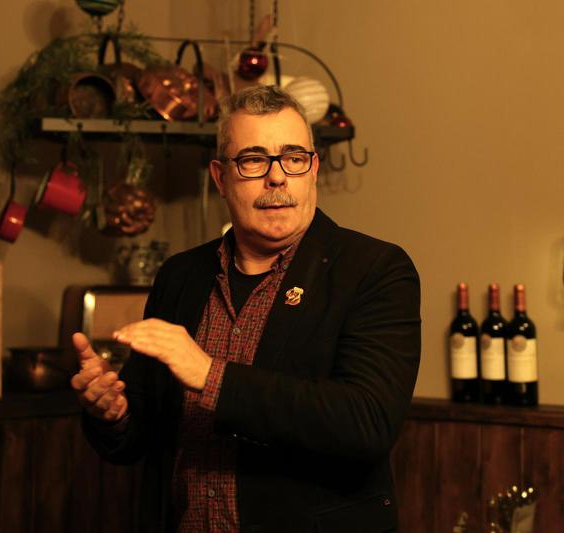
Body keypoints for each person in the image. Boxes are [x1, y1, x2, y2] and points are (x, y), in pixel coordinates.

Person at [71, 85, 421, 533]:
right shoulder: (180, 276)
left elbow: (367, 423)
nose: (277, 177)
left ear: (313, 169)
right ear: (220, 178)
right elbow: (145, 436)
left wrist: (210, 375)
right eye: (253, 160)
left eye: (293, 158)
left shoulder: (373, 270)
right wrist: (114, 413)